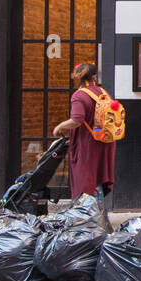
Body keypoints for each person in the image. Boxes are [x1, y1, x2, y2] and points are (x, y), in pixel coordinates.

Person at [52, 63, 116, 198]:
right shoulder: (103, 93)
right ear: (94, 77)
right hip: (104, 141)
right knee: (98, 177)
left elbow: (77, 120)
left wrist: (60, 126)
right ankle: (98, 212)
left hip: (87, 143)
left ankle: (86, 213)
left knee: (85, 178)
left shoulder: (79, 95)